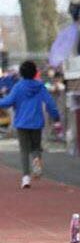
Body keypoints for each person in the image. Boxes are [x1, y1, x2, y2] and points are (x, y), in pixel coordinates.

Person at [0, 61, 59, 189]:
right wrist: (56, 116)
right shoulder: (40, 86)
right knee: (36, 147)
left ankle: (26, 177)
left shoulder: (18, 86)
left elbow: (8, 101)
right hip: (37, 122)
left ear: (21, 73)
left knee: (24, 150)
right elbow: (50, 103)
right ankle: (36, 162)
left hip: (21, 122)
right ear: (35, 73)